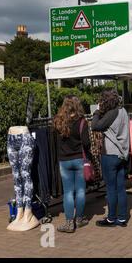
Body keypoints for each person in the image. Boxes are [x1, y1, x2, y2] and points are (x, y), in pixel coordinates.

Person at [92, 88, 130, 227]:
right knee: (120, 187)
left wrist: (96, 111)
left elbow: (95, 126)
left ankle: (111, 218)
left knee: (111, 189)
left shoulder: (111, 113)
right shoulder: (123, 111)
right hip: (121, 154)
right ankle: (122, 218)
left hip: (110, 154)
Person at [53, 95, 90, 233]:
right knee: (80, 190)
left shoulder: (59, 121)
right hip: (79, 159)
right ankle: (79, 219)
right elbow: (86, 143)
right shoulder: (82, 121)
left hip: (64, 160)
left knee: (68, 192)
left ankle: (69, 222)